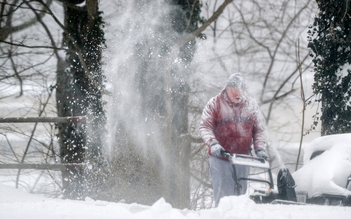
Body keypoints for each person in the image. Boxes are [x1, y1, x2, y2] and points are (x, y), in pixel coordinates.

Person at [199, 73, 268, 207]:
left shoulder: (250, 105)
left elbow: (259, 129)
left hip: (242, 158)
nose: (238, 95)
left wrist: (259, 148)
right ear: (227, 88)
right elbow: (205, 127)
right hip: (221, 158)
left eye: (240, 91)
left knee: (240, 198)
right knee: (224, 198)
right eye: (234, 91)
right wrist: (213, 144)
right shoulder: (215, 104)